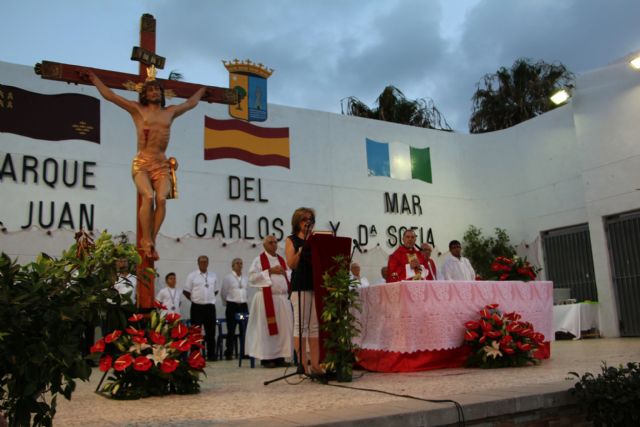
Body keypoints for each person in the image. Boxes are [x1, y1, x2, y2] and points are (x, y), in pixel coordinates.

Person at [83, 69, 207, 260]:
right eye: (151, 90)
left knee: (162, 200)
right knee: (148, 196)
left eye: (157, 90)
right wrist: (94, 79)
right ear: (144, 94)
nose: (155, 93)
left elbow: (191, 103)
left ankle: (151, 239)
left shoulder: (170, 112)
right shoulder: (137, 109)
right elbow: (111, 96)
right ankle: (146, 239)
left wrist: (202, 90)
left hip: (161, 165)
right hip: (142, 163)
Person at [246, 235, 294, 368]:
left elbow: (290, 274)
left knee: (283, 329)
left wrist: (284, 273)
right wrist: (270, 271)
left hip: (282, 299)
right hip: (266, 299)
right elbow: (252, 278)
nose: (273, 245)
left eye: (275, 242)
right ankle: (266, 358)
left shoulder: (282, 260)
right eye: (270, 243)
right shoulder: (258, 260)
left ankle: (280, 357)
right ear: (264, 245)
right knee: (266, 329)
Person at [285, 207, 321, 375]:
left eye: (310, 218)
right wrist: (301, 250)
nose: (308, 221)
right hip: (300, 285)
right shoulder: (291, 240)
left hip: (315, 284)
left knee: (314, 326)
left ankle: (315, 364)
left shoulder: (316, 239)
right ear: (297, 222)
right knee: (301, 326)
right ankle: (302, 365)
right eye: (304, 219)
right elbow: (291, 264)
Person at [183, 255, 219, 361]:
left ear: (208, 263)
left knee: (211, 332)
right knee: (195, 333)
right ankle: (195, 355)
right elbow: (186, 291)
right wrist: (195, 299)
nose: (203, 263)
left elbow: (215, 290)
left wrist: (208, 299)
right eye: (201, 262)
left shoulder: (213, 275)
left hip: (210, 307)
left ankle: (211, 355)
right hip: (197, 307)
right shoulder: (192, 275)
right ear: (198, 263)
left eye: (205, 262)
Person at [220, 258, 249, 360]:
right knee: (231, 329)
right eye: (237, 263)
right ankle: (229, 352)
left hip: (243, 307)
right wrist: (227, 303)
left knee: (244, 328)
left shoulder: (245, 278)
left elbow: (246, 291)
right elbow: (223, 292)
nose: (240, 265)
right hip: (232, 306)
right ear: (232, 265)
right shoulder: (228, 278)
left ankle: (244, 352)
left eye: (241, 263)